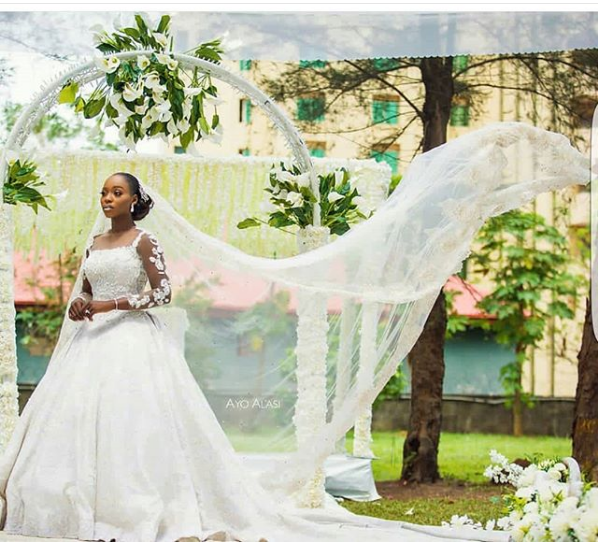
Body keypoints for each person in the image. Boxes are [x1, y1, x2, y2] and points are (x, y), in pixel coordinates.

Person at [3, 119, 587, 542]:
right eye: (103, 192)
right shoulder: (93, 242)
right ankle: (72, 502)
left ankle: (139, 506)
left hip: (131, 344)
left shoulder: (143, 241)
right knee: (75, 425)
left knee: (140, 429)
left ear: (136, 200)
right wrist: (81, 305)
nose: (107, 198)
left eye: (117, 191)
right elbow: (84, 286)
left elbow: (162, 293)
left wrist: (109, 306)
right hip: (88, 351)